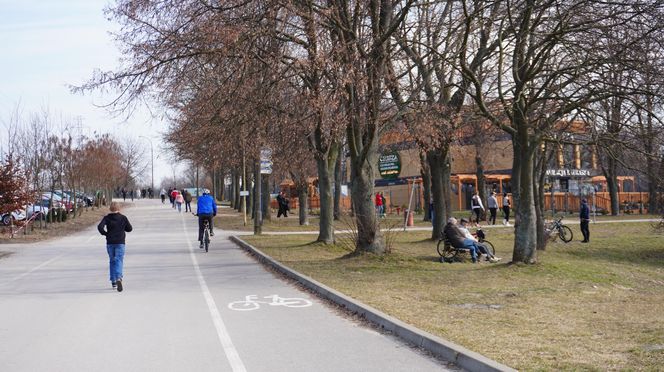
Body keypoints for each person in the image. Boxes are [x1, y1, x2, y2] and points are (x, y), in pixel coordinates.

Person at [97, 202, 133, 292]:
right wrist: (122, 227)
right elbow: (129, 229)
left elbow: (100, 227)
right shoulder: (123, 218)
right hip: (120, 242)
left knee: (112, 261)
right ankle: (118, 278)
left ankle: (113, 282)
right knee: (119, 260)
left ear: (110, 209)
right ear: (119, 208)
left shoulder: (107, 218)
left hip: (110, 242)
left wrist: (105, 234)